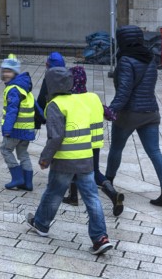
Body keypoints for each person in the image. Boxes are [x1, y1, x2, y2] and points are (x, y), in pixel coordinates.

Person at [26, 67, 114, 256]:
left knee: (54, 193)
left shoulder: (55, 105)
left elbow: (56, 137)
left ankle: (41, 224)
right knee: (92, 197)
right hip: (86, 158)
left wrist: (45, 159)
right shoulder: (78, 100)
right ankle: (100, 238)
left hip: (65, 160)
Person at [105, 25, 162, 207]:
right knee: (155, 152)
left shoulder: (126, 60)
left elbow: (125, 90)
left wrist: (112, 109)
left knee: (116, 149)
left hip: (129, 113)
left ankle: (107, 183)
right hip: (150, 112)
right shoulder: (149, 58)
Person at [62, 66, 125, 216]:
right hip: (94, 144)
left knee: (71, 168)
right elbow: (110, 115)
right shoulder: (93, 97)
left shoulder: (69, 99)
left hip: (78, 143)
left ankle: (72, 197)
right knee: (95, 172)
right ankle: (113, 194)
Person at [0, 54, 39, 191]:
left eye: (9, 71)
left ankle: (17, 177)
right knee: (23, 153)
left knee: (5, 149)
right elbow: (36, 105)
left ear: (15, 72)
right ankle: (28, 182)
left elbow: (12, 111)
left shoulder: (13, 90)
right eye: (4, 71)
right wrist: (41, 119)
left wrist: (7, 129)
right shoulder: (24, 86)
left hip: (16, 129)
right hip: (28, 128)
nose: (5, 74)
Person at [36, 52, 65, 128]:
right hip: (67, 113)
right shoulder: (68, 77)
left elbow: (42, 99)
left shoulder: (48, 79)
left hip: (53, 113)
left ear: (47, 65)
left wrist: (38, 121)